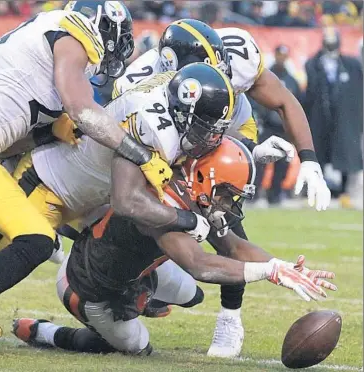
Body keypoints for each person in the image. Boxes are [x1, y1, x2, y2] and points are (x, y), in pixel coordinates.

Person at [0, 63, 232, 343]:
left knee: (142, 248)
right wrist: (189, 221)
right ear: (183, 108)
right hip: (46, 187)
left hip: (84, 198)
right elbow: (127, 202)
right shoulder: (154, 127)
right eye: (206, 126)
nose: (211, 137)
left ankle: (141, 291)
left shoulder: (164, 105)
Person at [0, 0, 172, 343]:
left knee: (37, 239)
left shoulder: (48, 51)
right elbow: (82, 108)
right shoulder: (70, 31)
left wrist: (46, 131)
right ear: (99, 26)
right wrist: (139, 154)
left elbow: (9, 135)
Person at [112, 18, 329, 358]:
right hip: (176, 141)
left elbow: (283, 100)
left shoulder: (235, 52)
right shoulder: (141, 92)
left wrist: (309, 160)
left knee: (222, 210)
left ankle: (230, 316)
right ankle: (137, 274)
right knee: (179, 213)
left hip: (228, 128)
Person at [11, 137, 336, 356]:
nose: (228, 203)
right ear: (204, 179)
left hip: (128, 265)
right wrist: (269, 271)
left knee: (190, 296)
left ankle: (144, 292)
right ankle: (47, 333)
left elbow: (234, 247)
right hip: (88, 289)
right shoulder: (162, 204)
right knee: (136, 348)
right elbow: (199, 264)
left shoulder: (192, 188)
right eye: (226, 193)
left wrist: (283, 267)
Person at [304, 27, 363, 206]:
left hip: (344, 118)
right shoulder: (313, 64)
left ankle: (345, 192)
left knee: (345, 153)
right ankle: (316, 190)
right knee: (318, 153)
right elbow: (310, 92)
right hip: (320, 116)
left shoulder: (351, 64)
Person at [253, 45, 302, 206]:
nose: (281, 58)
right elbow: (256, 98)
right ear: (275, 55)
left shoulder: (291, 80)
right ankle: (255, 194)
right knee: (260, 160)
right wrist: (260, 117)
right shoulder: (264, 77)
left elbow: (297, 104)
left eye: (284, 55)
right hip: (267, 126)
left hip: (284, 128)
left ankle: (275, 195)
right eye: (279, 54)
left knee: (282, 164)